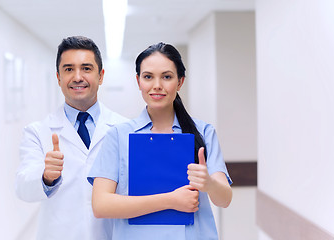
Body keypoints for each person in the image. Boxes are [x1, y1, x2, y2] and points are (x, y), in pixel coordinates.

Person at [88, 42, 232, 240]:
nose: (157, 85)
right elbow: (101, 205)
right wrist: (171, 200)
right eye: (148, 77)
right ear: (138, 81)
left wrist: (209, 183)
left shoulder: (203, 132)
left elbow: (224, 199)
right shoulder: (119, 136)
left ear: (180, 82)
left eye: (167, 77)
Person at [15, 36, 128, 240]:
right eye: (68, 69)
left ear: (101, 76)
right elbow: (23, 188)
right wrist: (46, 177)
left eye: (86, 68)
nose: (77, 77)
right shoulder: (38, 132)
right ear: (58, 77)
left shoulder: (126, 129)